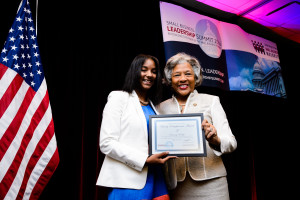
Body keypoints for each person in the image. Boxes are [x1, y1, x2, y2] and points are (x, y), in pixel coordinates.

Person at [156, 52, 237, 200]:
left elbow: (231, 142)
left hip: (213, 184)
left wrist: (216, 140)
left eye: (188, 74)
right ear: (170, 79)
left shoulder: (211, 101)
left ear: (195, 77)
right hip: (177, 186)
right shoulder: (160, 108)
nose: (183, 79)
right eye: (177, 75)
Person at [96, 54, 175, 200]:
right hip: (128, 179)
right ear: (135, 71)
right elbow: (106, 143)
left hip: (156, 175)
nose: (149, 75)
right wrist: (144, 159)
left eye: (154, 71)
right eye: (144, 69)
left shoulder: (154, 106)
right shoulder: (119, 98)